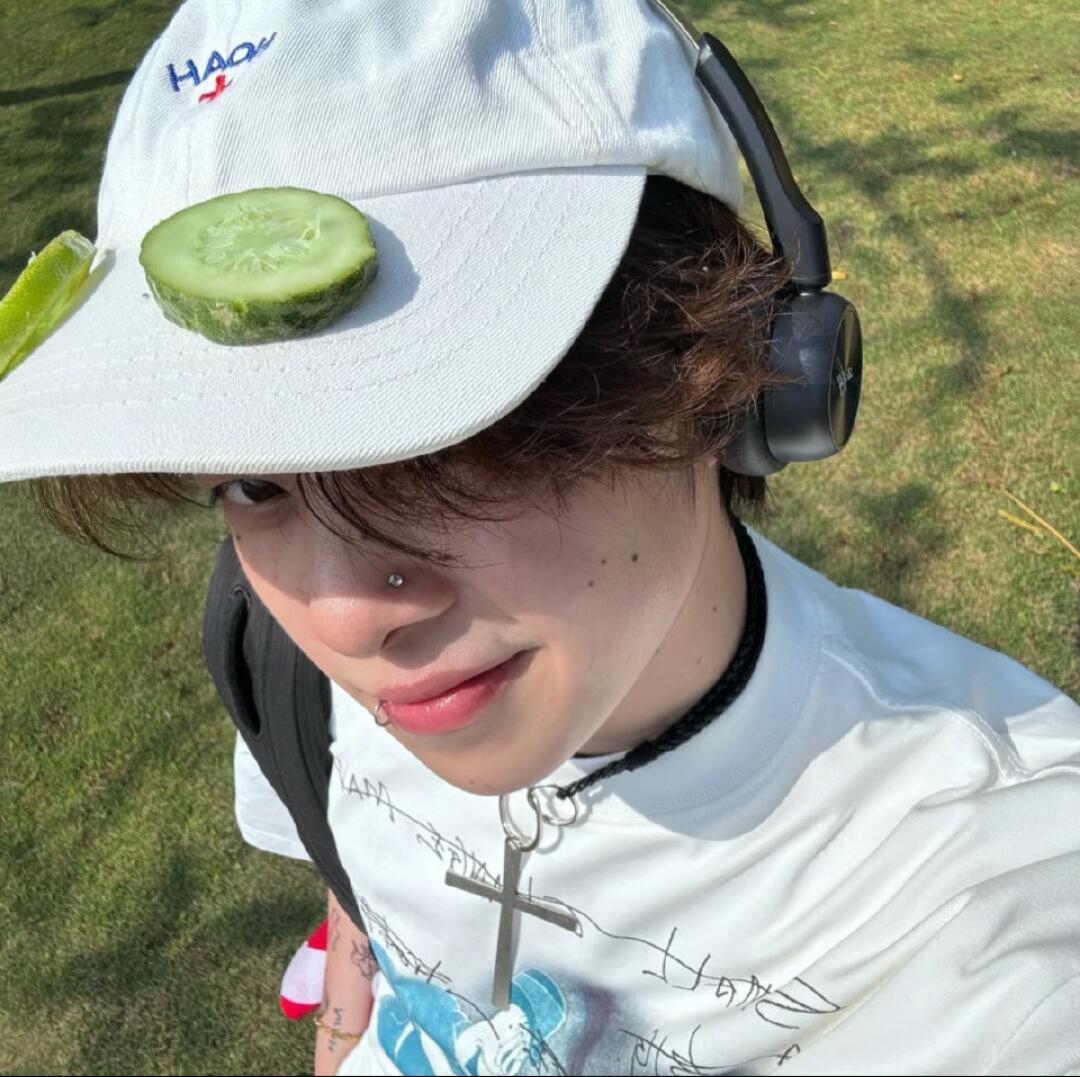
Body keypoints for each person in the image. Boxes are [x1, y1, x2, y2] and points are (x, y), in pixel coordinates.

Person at [2, 0, 1077, 1074]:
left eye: (452, 437)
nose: (343, 617)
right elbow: (361, 878)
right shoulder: (285, 656)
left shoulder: (986, 894)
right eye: (252, 482)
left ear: (736, 361)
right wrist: (344, 1022)